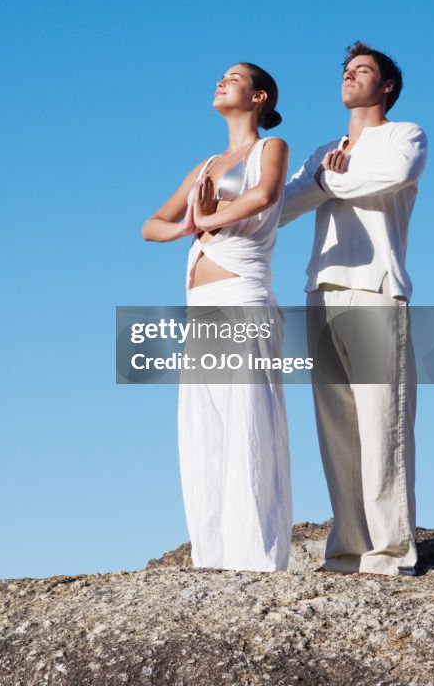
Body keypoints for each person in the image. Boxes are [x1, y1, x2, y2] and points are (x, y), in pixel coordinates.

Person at [280, 41, 427, 576]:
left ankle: (389, 553)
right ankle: (346, 552)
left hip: (375, 288)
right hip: (320, 290)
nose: (349, 76)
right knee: (336, 427)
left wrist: (330, 182)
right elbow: (286, 204)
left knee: (382, 421)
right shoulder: (324, 150)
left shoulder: (404, 135)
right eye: (345, 69)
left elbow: (391, 177)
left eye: (361, 70)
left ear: (386, 86)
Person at [142, 63, 292, 572]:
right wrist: (191, 223)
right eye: (220, 76)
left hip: (243, 295)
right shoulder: (207, 163)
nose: (220, 81)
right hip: (201, 307)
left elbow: (264, 194)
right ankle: (214, 557)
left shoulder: (269, 148)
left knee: (250, 421)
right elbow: (150, 226)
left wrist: (207, 218)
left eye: (234, 77)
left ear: (259, 97)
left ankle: (257, 558)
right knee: (204, 428)